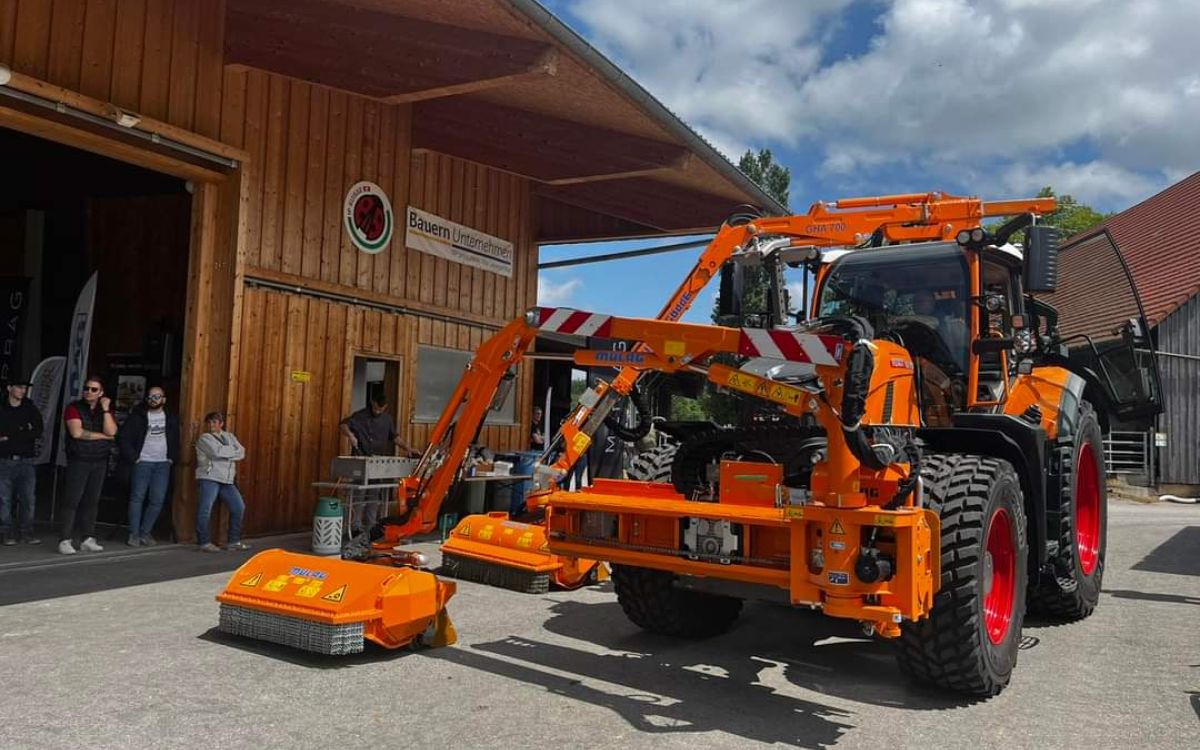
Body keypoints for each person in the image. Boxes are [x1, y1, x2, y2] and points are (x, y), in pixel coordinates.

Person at [339, 394, 419, 534]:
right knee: (359, 494)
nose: (378, 411)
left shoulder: (386, 419)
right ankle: (355, 526)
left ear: (385, 407)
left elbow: (394, 437)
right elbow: (343, 424)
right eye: (376, 408)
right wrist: (351, 436)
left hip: (377, 462)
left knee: (375, 494)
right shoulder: (360, 416)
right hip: (361, 459)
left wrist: (408, 449)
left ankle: (371, 526)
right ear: (372, 402)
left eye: (381, 409)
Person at [59, 376, 117, 555]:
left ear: (101, 393)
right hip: (79, 459)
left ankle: (88, 538)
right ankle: (65, 539)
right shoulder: (73, 408)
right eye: (86, 388)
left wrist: (106, 409)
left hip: (99, 460)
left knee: (92, 500)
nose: (88, 392)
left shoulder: (103, 410)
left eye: (93, 389)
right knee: (72, 500)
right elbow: (76, 432)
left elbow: (112, 431)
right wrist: (103, 437)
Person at [117, 386, 180, 546]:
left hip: (162, 463)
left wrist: (171, 458)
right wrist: (134, 457)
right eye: (151, 397)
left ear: (164, 399)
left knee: (157, 500)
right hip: (143, 462)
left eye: (157, 396)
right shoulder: (137, 416)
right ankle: (134, 534)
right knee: (137, 497)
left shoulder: (171, 417)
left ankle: (146, 532)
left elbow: (176, 438)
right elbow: (123, 437)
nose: (154, 400)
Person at [195, 411, 249, 552]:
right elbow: (216, 452)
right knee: (205, 509)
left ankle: (233, 541)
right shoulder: (204, 438)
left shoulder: (229, 436)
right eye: (209, 422)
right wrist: (232, 452)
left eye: (214, 422)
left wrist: (227, 452)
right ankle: (204, 542)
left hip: (227, 479)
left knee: (238, 507)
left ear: (221, 423)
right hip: (209, 477)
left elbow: (242, 451)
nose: (211, 425)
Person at [0, 375, 43, 545]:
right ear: (9, 388)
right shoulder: (2, 407)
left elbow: (38, 429)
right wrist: (23, 429)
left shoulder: (30, 407)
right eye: (19, 387)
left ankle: (26, 532)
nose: (22, 391)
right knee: (4, 498)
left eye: (25, 388)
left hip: (26, 459)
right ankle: (6, 532)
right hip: (5, 459)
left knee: (28, 498)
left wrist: (11, 434)